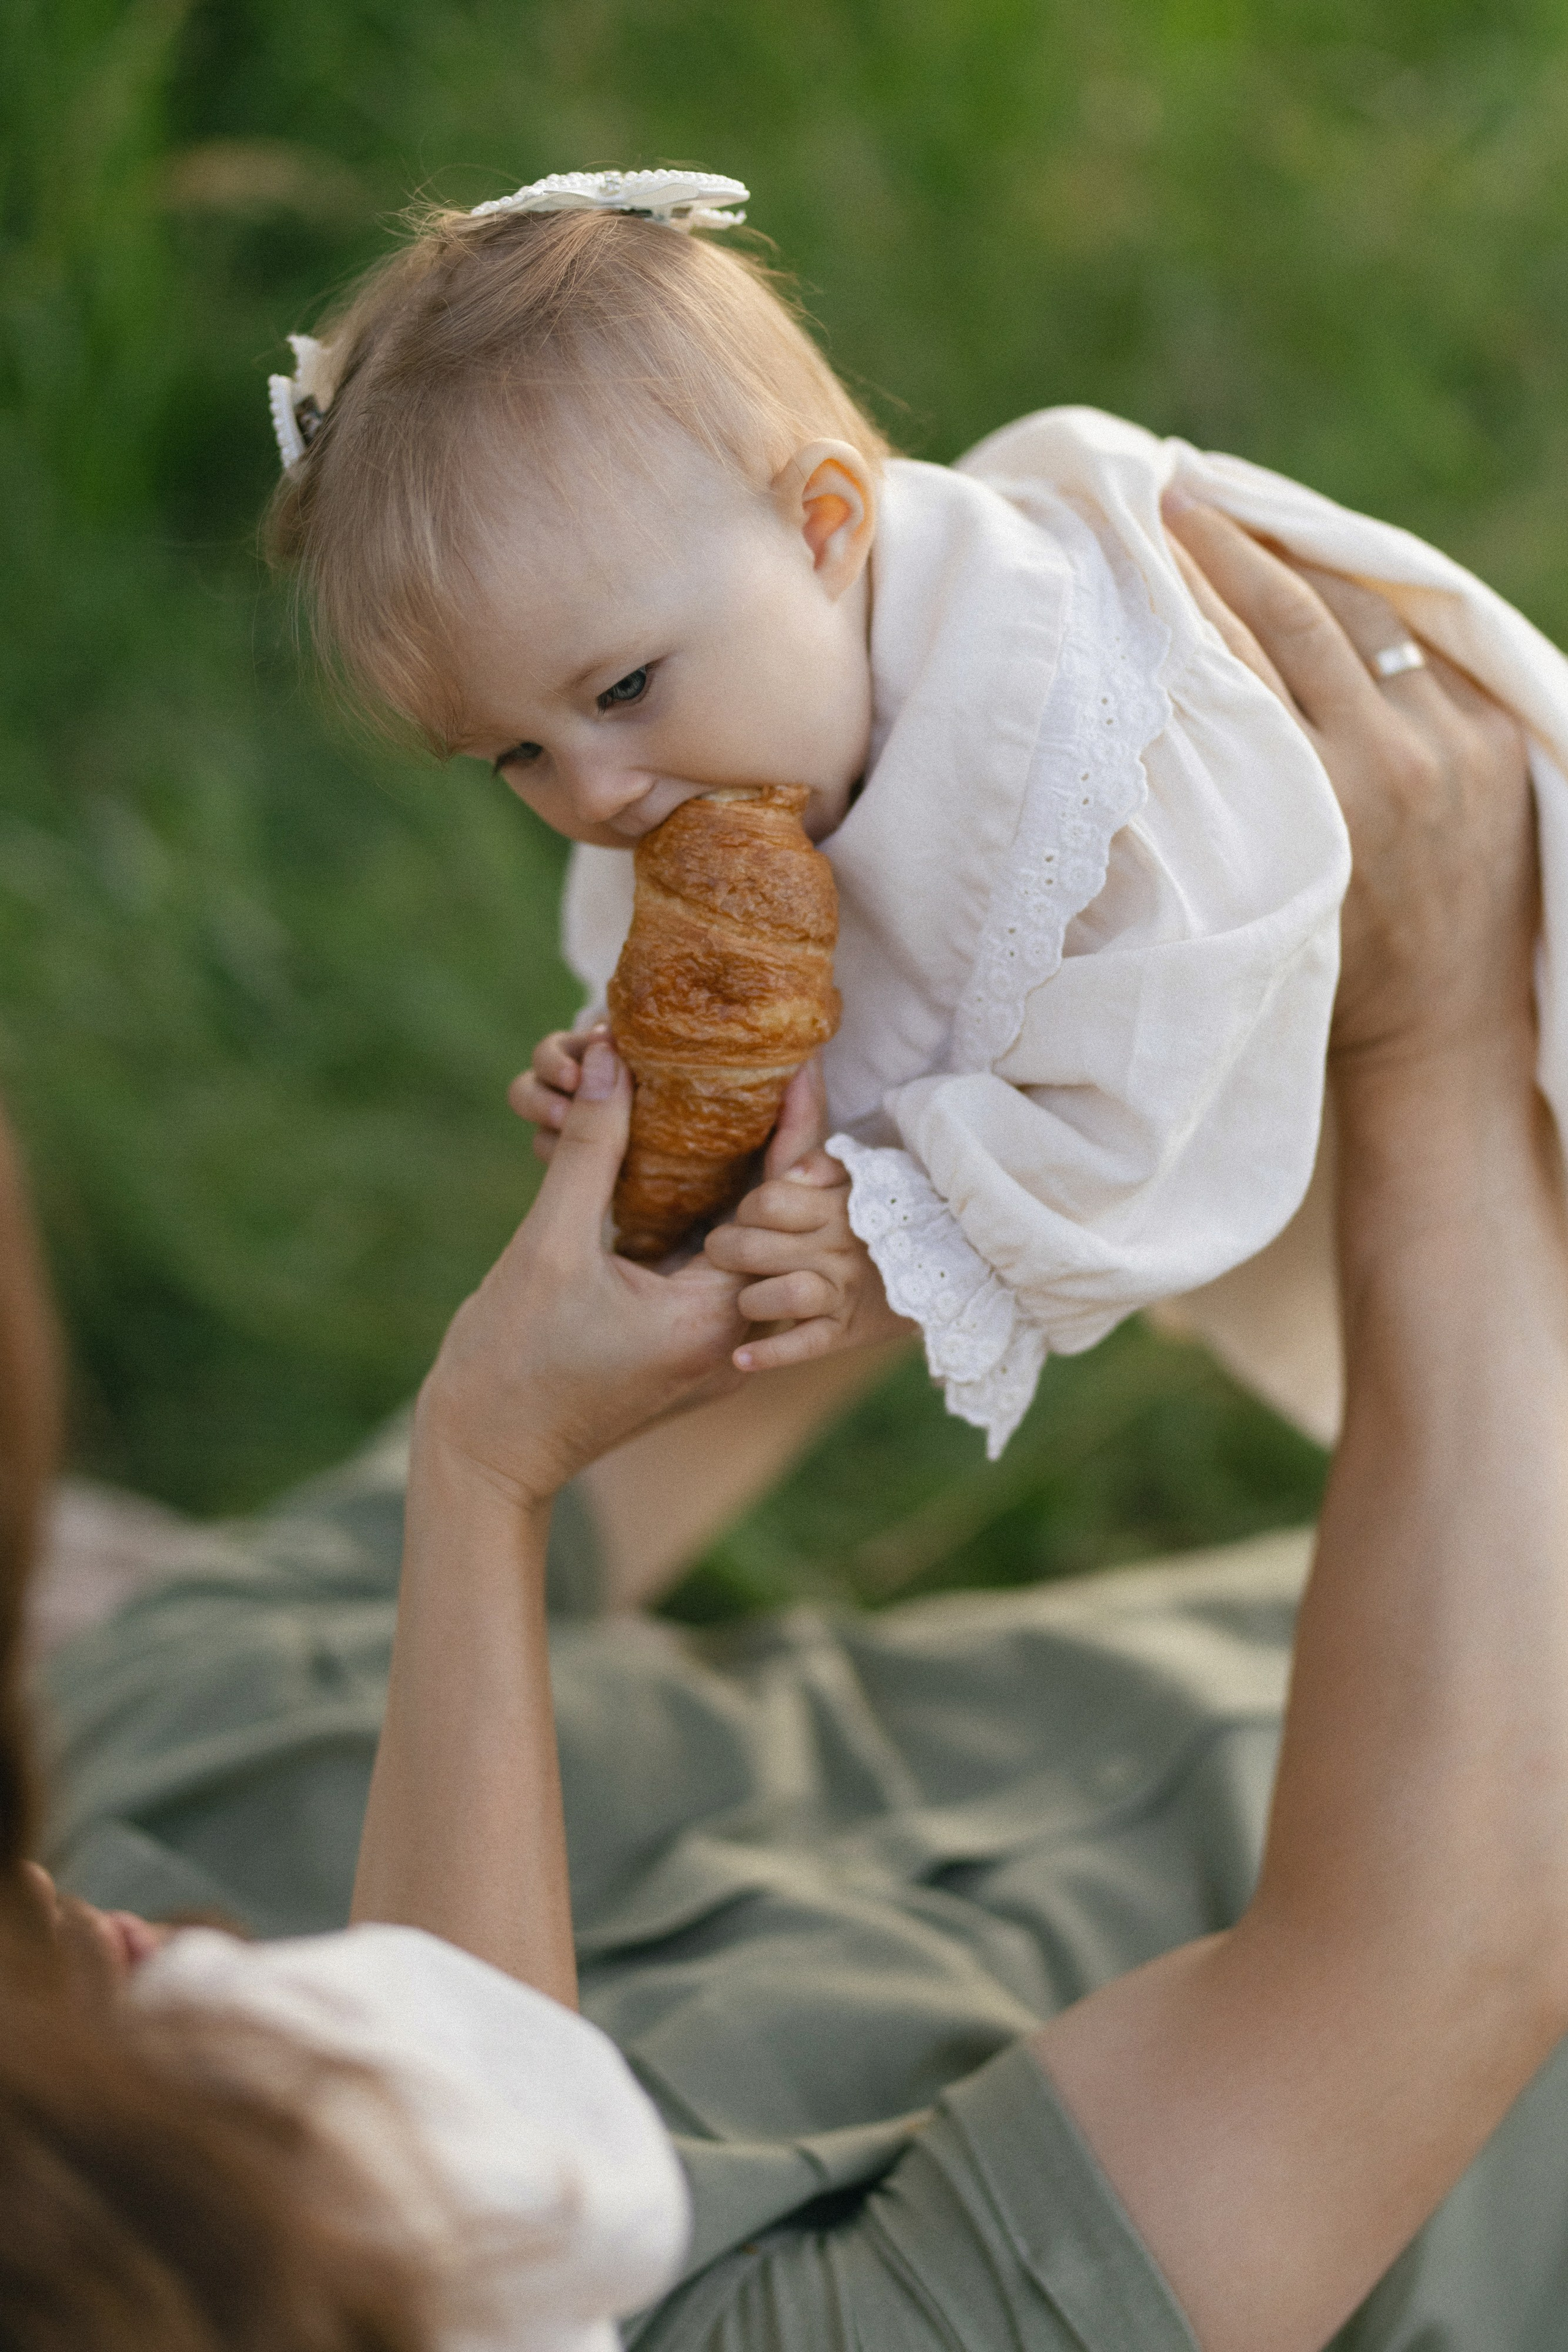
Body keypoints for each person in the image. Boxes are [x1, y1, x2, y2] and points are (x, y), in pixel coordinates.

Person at [13, 514, 1568, 2351]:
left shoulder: (168, 1759)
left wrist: (1024, 883)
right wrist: (1430, 1036)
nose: (35, 1910)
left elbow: (712, 1337)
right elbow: (1440, 1951)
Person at [266, 165, 1568, 1534]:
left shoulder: (1085, 734)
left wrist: (905, 1246)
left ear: (822, 526)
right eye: (513, 755)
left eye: (621, 690)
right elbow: (788, 994)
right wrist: (636, 1077)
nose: (591, 794)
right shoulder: (709, 745)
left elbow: (1158, 1082)